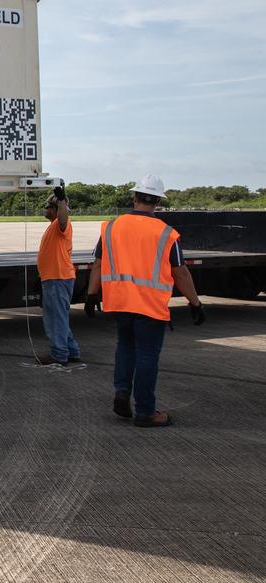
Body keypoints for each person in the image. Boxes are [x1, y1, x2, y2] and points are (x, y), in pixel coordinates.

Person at [85, 175, 204, 428]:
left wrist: (91, 294)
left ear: (134, 197)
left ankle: (121, 392)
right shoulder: (167, 233)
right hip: (149, 306)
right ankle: (145, 412)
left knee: (125, 348)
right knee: (147, 356)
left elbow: (97, 264)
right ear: (158, 202)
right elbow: (180, 272)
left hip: (119, 302)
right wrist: (195, 303)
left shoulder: (111, 227)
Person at [35, 185, 81, 366]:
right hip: (54, 278)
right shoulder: (53, 226)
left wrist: (61, 200)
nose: (45, 209)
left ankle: (59, 354)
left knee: (55, 319)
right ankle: (71, 350)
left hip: (58, 278)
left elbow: (63, 218)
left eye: (48, 206)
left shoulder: (62, 224)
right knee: (59, 317)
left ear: (56, 210)